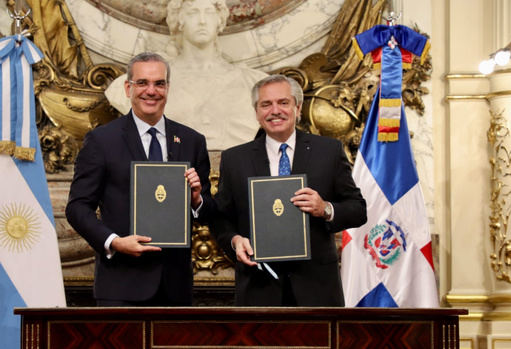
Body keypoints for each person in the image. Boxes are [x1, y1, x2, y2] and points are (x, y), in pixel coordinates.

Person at [66, 52, 214, 306]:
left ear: (167, 88)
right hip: (121, 287)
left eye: (159, 83)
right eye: (142, 83)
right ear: (128, 88)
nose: (151, 91)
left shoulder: (192, 141)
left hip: (175, 288)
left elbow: (209, 211)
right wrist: (114, 242)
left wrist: (197, 199)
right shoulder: (102, 141)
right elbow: (77, 207)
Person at [212, 74, 367, 306]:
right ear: (257, 112)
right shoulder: (235, 159)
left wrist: (325, 208)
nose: (275, 110)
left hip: (316, 289)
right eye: (266, 104)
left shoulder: (328, 151)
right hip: (258, 287)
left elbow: (358, 209)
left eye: (283, 103)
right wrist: (234, 240)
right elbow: (220, 217)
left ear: (298, 107)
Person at [105, 0, 267, 151]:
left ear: (220, 20)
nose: (202, 20)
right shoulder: (142, 85)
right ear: (179, 21)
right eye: (193, 13)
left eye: (209, 12)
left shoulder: (252, 82)